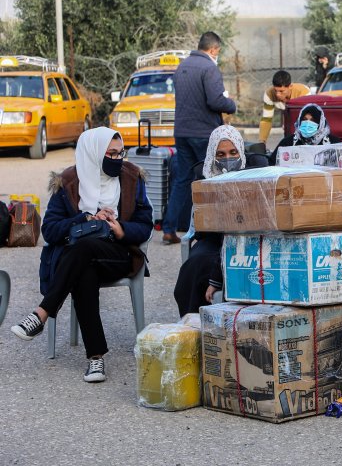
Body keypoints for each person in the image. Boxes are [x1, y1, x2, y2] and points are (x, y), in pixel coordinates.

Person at [10, 127, 153, 382]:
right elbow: (50, 230)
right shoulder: (68, 182)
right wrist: (84, 218)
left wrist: (121, 229)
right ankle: (95, 359)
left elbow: (145, 224)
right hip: (80, 260)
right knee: (83, 268)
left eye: (121, 153)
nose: (118, 159)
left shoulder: (132, 178)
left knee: (81, 252)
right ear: (94, 153)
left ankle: (42, 313)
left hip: (119, 256)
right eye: (111, 153)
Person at [162, 31, 236, 245]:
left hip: (182, 132)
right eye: (218, 51)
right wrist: (231, 104)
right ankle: (213, 229)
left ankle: (169, 228)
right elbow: (215, 101)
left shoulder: (182, 67)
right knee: (213, 178)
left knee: (182, 180)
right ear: (213, 49)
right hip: (204, 133)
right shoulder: (209, 68)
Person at [174, 125, 246, 317]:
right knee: (196, 264)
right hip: (213, 239)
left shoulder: (255, 176)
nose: (228, 158)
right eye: (220, 154)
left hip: (247, 240)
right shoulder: (203, 177)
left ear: (241, 150)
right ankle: (193, 325)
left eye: (233, 152)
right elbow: (199, 221)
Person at [269, 103, 341, 164]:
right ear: (299, 121)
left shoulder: (333, 143)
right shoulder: (288, 143)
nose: (308, 123)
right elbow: (272, 164)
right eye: (304, 119)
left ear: (320, 123)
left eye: (312, 120)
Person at [259, 70, 310, 144]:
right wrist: (262, 142)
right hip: (288, 119)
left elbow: (307, 119)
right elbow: (267, 119)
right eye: (276, 91)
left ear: (290, 86)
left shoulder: (303, 93)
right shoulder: (269, 94)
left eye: (281, 91)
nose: (278, 94)